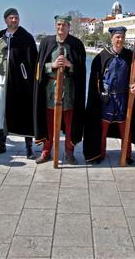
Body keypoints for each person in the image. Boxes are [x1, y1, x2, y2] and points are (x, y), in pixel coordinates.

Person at [0, 8, 37, 158]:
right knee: (2, 114)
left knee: (24, 113)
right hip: (2, 81)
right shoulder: (0, 37)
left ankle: (29, 148)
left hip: (21, 84)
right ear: (5, 20)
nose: (14, 20)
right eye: (11, 18)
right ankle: (1, 145)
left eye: (16, 17)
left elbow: (33, 61)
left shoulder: (26, 37)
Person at [83, 27, 135, 165]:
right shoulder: (101, 57)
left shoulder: (131, 56)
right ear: (112, 38)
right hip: (106, 100)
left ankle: (127, 155)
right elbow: (95, 80)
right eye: (117, 37)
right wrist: (100, 94)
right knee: (103, 130)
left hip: (123, 99)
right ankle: (99, 154)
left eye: (122, 37)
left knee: (126, 130)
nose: (120, 40)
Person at [33, 15, 86, 165]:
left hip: (69, 92)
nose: (61, 28)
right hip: (50, 91)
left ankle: (69, 152)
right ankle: (46, 151)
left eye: (64, 25)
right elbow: (39, 68)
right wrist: (53, 65)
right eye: (58, 25)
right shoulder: (46, 42)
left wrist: (70, 65)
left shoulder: (76, 44)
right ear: (55, 26)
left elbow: (81, 71)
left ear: (69, 27)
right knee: (49, 124)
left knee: (70, 124)